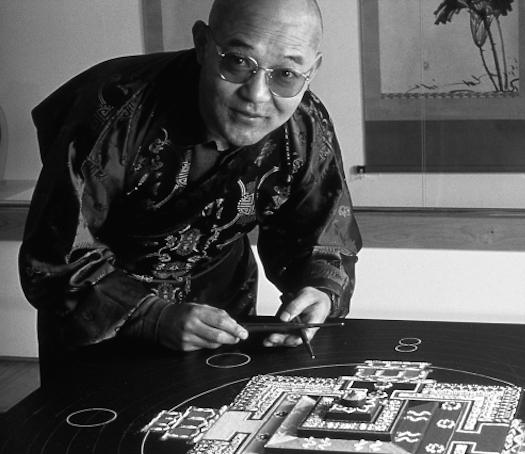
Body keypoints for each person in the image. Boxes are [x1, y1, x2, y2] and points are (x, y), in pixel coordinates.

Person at [19, 0, 361, 369]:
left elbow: (321, 237)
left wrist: (320, 292)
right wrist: (151, 316)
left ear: (313, 69)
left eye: (287, 74)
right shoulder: (113, 110)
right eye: (238, 62)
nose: (257, 96)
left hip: (220, 307)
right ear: (202, 44)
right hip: (101, 316)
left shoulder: (304, 126)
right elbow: (56, 258)